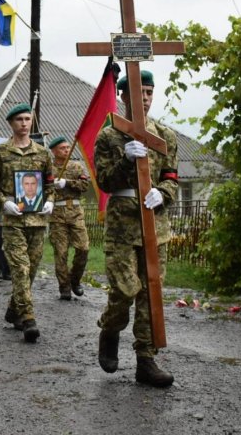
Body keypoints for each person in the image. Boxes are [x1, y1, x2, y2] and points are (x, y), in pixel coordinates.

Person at [94, 70, 179, 388]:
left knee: (150, 294)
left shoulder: (165, 136)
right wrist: (125, 161)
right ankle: (110, 329)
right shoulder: (109, 135)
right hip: (122, 224)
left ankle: (146, 359)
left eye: (148, 92)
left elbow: (171, 177)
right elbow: (103, 181)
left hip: (155, 221)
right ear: (123, 95)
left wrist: (164, 194)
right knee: (125, 289)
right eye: (137, 91)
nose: (144, 98)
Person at [0, 103, 55, 343]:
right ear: (11, 124)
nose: (24, 124)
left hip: (37, 220)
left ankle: (14, 309)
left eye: (27, 119)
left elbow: (50, 185)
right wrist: (3, 201)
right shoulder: (1, 152)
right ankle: (28, 318)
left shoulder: (44, 153)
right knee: (20, 269)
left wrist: (51, 201)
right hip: (12, 220)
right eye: (19, 120)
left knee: (32, 270)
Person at [48, 136, 90, 300]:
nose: (66, 150)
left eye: (67, 147)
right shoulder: (48, 169)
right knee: (61, 253)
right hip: (57, 215)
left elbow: (85, 185)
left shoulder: (77, 167)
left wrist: (67, 182)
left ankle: (75, 279)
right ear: (53, 151)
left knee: (83, 248)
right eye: (62, 148)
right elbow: (42, 188)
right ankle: (64, 286)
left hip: (76, 214)